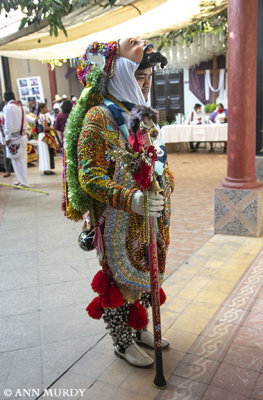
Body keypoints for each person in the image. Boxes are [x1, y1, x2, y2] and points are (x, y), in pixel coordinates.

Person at [64, 38, 174, 368]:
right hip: (115, 219)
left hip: (147, 216)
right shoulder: (99, 118)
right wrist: (131, 198)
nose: (145, 84)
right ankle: (121, 342)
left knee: (142, 275)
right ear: (117, 74)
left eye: (148, 78)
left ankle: (138, 328)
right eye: (138, 76)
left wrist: (164, 188)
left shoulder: (142, 114)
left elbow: (159, 161)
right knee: (118, 280)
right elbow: (91, 176)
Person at [3, 91, 28, 187]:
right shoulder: (20, 107)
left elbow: (8, 124)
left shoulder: (8, 107)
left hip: (14, 137)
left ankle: (23, 181)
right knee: (22, 160)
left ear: (5, 100)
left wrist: (7, 136)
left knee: (16, 160)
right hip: (22, 135)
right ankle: (22, 180)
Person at [37, 103, 56, 175]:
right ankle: (46, 169)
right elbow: (45, 127)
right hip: (44, 135)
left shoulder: (42, 116)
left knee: (46, 151)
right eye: (45, 107)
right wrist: (52, 128)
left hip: (43, 135)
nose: (46, 109)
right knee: (45, 151)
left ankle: (47, 168)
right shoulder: (42, 117)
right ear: (41, 109)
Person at [0, 100, 12, 177]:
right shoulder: (1, 114)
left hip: (9, 136)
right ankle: (7, 169)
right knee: (6, 153)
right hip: (3, 136)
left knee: (10, 152)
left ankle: (11, 169)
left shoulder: (6, 114)